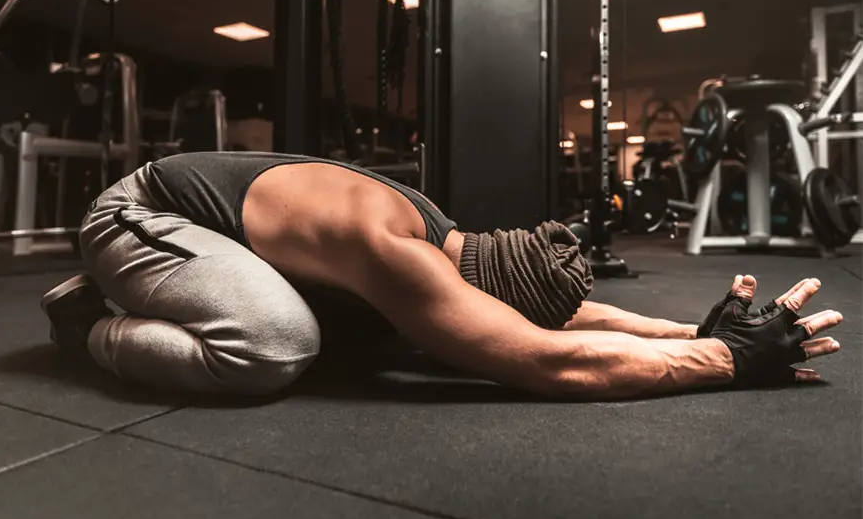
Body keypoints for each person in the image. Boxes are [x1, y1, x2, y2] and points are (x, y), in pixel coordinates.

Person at [41, 152, 843, 398]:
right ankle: (94, 326)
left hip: (229, 236)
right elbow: (546, 356)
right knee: (276, 347)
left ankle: (151, 299)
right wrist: (730, 361)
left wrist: (691, 331)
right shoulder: (395, 254)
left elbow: (561, 317)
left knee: (364, 340)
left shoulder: (456, 245)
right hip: (139, 215)